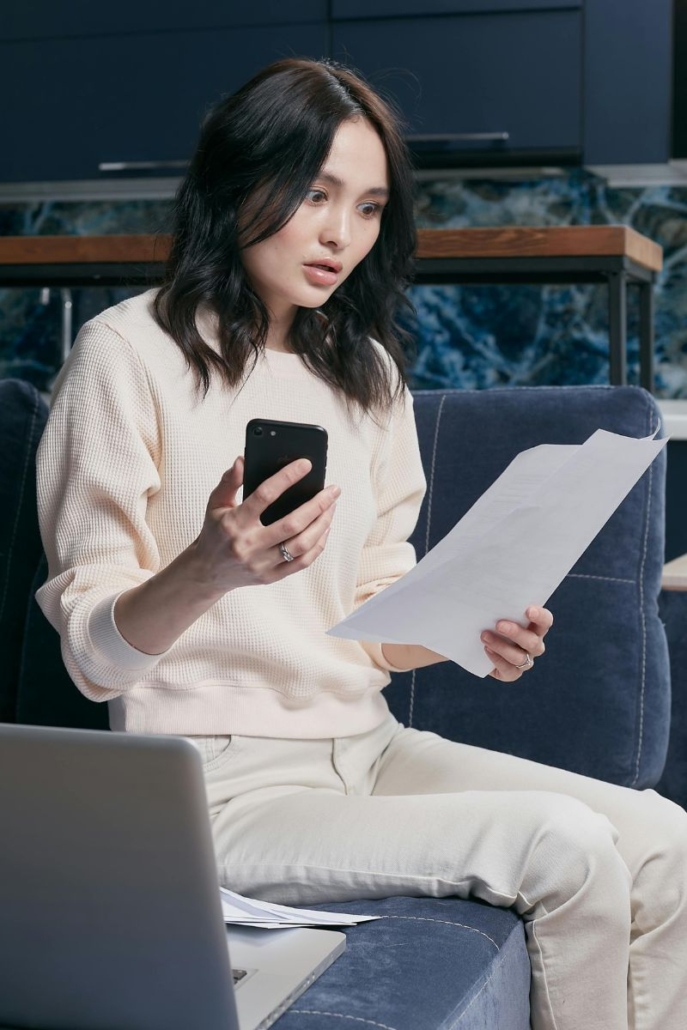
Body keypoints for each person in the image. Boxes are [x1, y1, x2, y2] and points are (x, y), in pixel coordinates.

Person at [35, 57, 687, 1030]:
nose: (342, 232)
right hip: (212, 782)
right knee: (564, 844)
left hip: (366, 742)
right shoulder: (126, 356)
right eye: (315, 192)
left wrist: (473, 627)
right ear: (237, 177)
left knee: (667, 839)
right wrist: (208, 567)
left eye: (370, 206)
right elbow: (92, 656)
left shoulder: (366, 375)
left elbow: (376, 619)